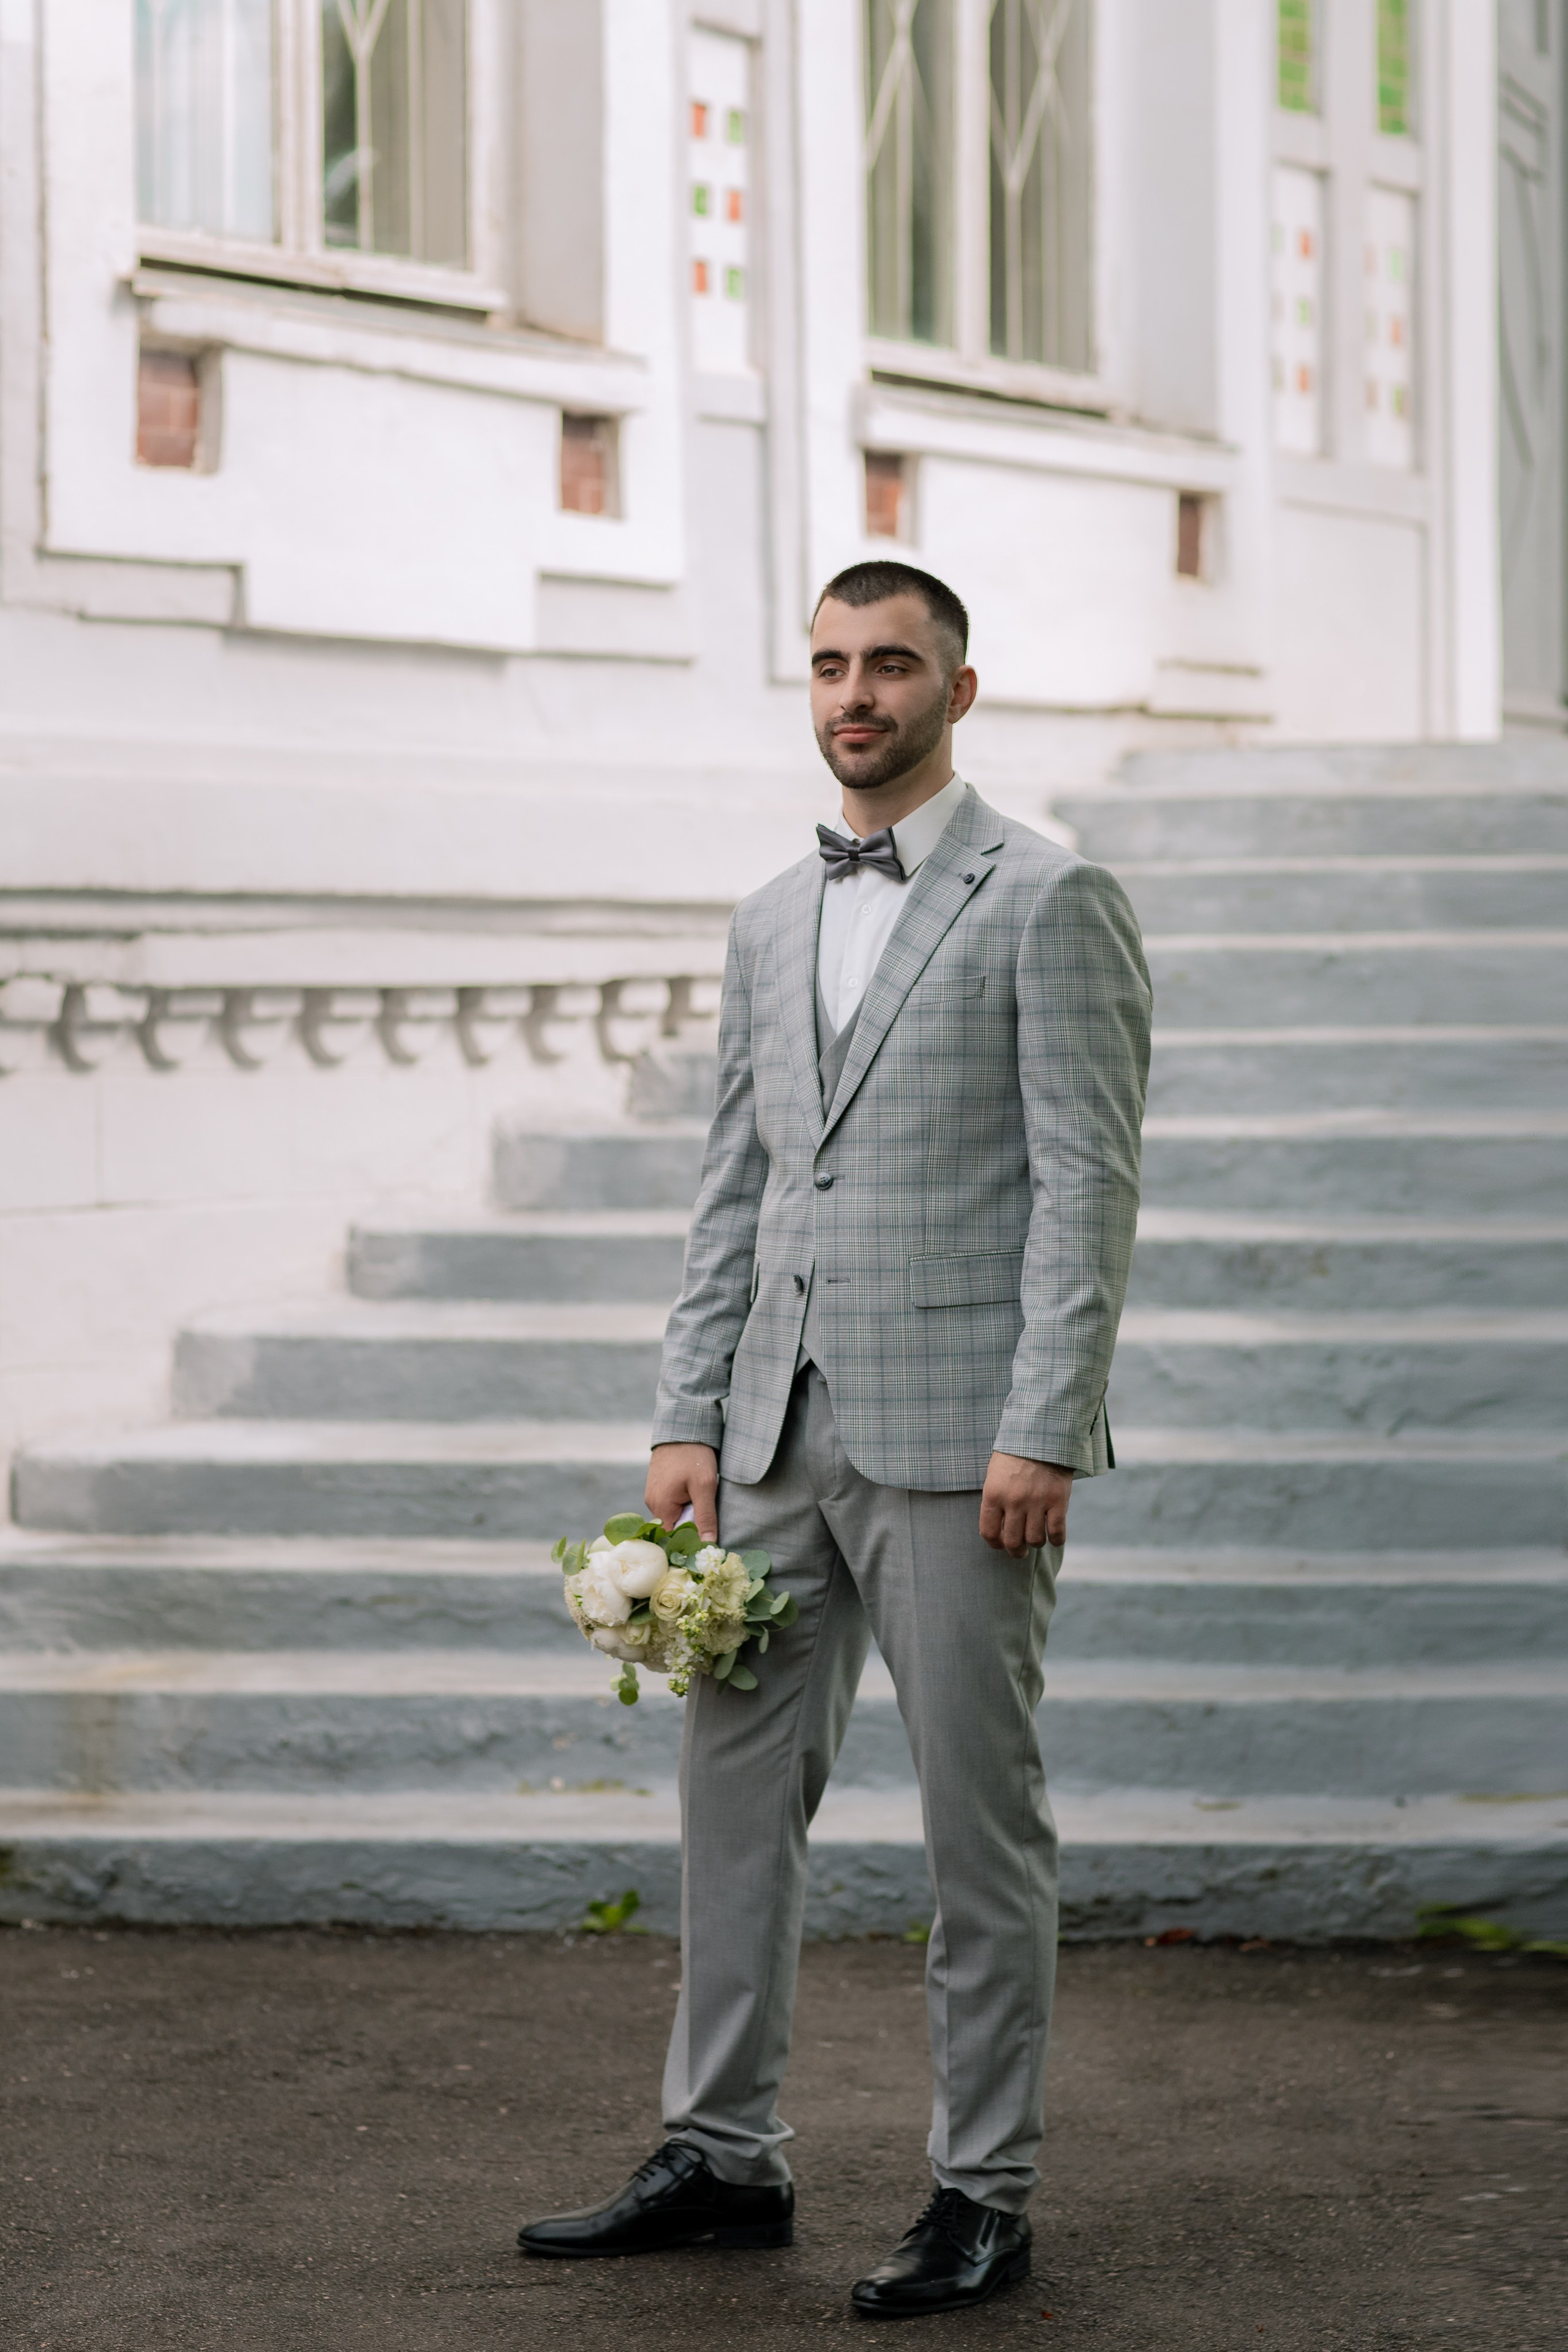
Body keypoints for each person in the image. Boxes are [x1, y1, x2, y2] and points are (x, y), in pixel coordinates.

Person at [519, 560, 1151, 2316]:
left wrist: (1047, 1423)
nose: (855, 693)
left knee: (979, 1830)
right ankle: (721, 2153)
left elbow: (1087, 1193)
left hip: (968, 1449)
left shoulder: (1051, 896)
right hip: (774, 1437)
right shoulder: (767, 916)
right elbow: (736, 1183)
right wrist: (686, 1414)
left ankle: (982, 2192)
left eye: (891, 664)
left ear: (961, 686)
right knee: (731, 1807)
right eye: (829, 666)